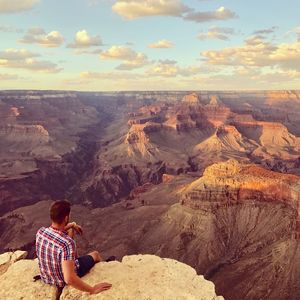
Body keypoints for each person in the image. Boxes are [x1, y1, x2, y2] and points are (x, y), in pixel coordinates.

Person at [36, 200, 112, 294]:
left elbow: (55, 231)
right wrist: (92, 289)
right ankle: (105, 268)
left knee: (70, 232)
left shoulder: (41, 232)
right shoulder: (67, 244)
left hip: (47, 278)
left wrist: (72, 225)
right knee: (95, 254)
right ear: (66, 218)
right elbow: (69, 279)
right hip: (62, 280)